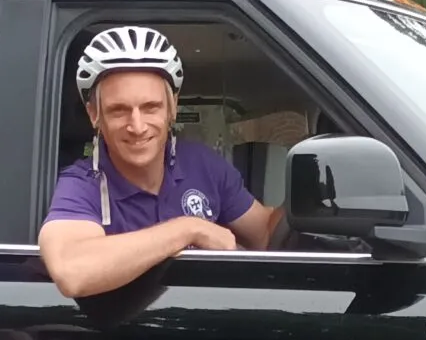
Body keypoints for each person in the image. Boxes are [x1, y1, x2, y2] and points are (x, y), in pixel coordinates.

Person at [38, 26, 282, 297]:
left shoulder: (202, 164)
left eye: (150, 107)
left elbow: (266, 232)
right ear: (94, 114)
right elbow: (72, 272)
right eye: (119, 110)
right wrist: (189, 228)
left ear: (172, 107)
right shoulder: (82, 184)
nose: (137, 126)